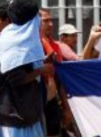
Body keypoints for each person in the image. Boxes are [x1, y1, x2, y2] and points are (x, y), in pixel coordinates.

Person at [0, 0, 46, 137]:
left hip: (26, 114)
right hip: (14, 117)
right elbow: (15, 79)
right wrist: (41, 70)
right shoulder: (15, 43)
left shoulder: (13, 39)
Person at [38, 9, 63, 137]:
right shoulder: (33, 45)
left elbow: (60, 78)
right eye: (45, 21)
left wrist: (66, 107)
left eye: (50, 20)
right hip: (36, 101)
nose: (50, 24)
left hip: (52, 100)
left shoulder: (56, 46)